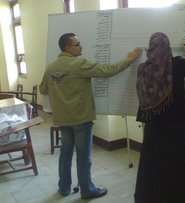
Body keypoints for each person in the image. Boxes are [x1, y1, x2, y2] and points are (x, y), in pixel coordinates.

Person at [39, 33, 141, 200]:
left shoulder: (51, 67)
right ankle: (87, 190)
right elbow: (107, 71)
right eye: (77, 44)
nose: (81, 47)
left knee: (65, 154)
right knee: (83, 155)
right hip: (81, 119)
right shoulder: (79, 63)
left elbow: (43, 90)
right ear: (67, 47)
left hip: (63, 120)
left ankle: (64, 188)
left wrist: (58, 84)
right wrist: (129, 60)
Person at [134, 32, 185, 203]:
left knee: (154, 165)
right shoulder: (178, 64)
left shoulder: (144, 69)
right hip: (177, 128)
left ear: (151, 48)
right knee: (177, 164)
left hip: (154, 129)